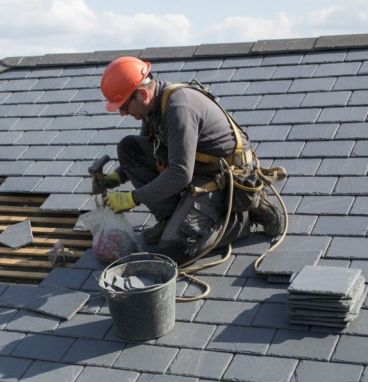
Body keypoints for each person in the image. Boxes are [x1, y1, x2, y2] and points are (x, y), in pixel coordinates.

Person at [91, 56, 283, 264]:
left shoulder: (179, 108)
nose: (122, 113)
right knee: (129, 147)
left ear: (143, 94)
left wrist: (133, 198)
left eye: (124, 107)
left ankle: (243, 216)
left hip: (223, 177)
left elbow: (180, 174)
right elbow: (148, 147)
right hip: (194, 166)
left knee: (175, 248)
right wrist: (116, 177)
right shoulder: (152, 106)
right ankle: (170, 218)